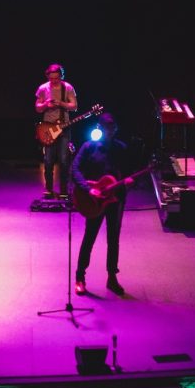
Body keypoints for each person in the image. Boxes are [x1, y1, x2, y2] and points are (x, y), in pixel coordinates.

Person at [70, 118, 130, 297]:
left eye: (112, 128)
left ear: (115, 129)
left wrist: (128, 181)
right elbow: (75, 169)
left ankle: (112, 277)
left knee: (114, 239)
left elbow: (127, 172)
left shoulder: (121, 148)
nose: (109, 131)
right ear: (100, 128)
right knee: (90, 237)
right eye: (106, 128)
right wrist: (89, 189)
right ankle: (80, 278)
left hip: (115, 199)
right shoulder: (89, 147)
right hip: (95, 200)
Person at [34, 62, 79, 197]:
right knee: (48, 160)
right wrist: (46, 105)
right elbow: (37, 107)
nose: (54, 81)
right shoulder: (43, 88)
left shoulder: (68, 87)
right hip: (48, 128)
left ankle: (64, 191)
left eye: (57, 78)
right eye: (51, 78)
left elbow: (74, 106)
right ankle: (48, 189)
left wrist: (61, 103)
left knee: (64, 160)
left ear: (61, 76)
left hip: (64, 127)